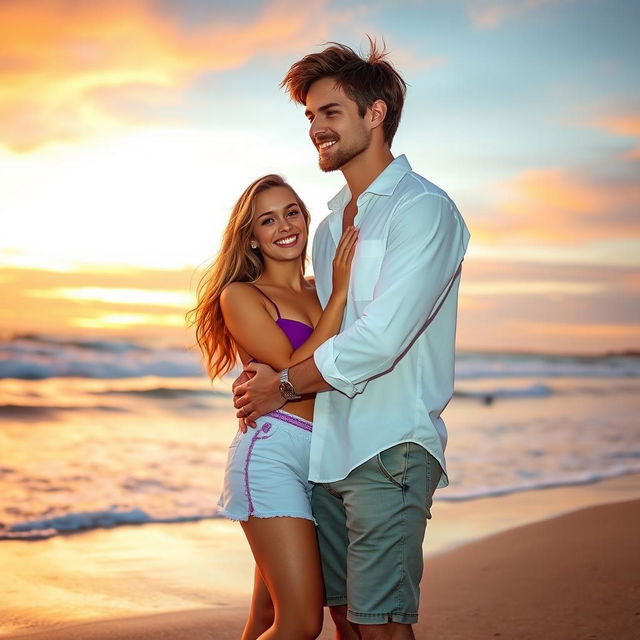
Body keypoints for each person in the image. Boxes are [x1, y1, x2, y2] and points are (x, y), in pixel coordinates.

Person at [233, 39, 471, 640]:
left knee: (382, 627)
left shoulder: (423, 211)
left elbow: (380, 340)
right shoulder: (332, 223)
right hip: (325, 455)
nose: (316, 127)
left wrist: (282, 386)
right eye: (310, 116)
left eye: (330, 112)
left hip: (389, 447)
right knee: (347, 624)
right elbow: (319, 328)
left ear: (375, 114)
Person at [189, 174, 358, 639]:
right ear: (252, 237)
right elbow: (291, 371)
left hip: (328, 460)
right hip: (273, 455)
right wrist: (341, 295)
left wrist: (335, 292)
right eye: (267, 219)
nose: (284, 226)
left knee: (266, 620)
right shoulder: (242, 295)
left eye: (292, 212)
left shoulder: (320, 288)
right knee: (301, 624)